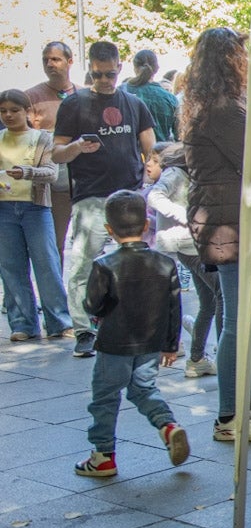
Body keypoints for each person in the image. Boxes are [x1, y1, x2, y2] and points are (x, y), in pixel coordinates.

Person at [181, 27, 251, 442]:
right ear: (230, 60)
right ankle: (230, 416)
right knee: (239, 318)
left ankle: (249, 400)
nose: (249, 63)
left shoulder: (220, 106)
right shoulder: (223, 109)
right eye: (241, 56)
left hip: (240, 218)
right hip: (229, 224)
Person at [73, 190, 189, 478]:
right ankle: (168, 426)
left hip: (114, 343)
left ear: (109, 230)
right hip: (150, 343)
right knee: (143, 389)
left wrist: (96, 314)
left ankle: (103, 455)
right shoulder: (165, 263)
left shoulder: (104, 265)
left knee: (105, 397)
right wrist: (170, 345)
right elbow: (174, 306)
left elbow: (92, 304)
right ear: (146, 226)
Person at [52, 41, 156, 358]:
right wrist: (77, 148)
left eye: (110, 74)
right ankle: (84, 330)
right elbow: (57, 152)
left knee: (135, 265)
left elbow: (150, 146)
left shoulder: (133, 103)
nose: (104, 81)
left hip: (129, 195)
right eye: (97, 75)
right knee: (83, 264)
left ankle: (134, 325)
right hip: (91, 196)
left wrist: (151, 172)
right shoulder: (74, 104)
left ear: (119, 68)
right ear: (90, 69)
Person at [0, 89, 71, 341]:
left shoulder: (41, 138)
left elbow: (51, 173)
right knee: (11, 268)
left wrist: (27, 172)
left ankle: (59, 322)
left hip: (36, 208)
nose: (8, 115)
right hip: (4, 210)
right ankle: (22, 324)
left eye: (14, 110)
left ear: (27, 112)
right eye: (3, 111)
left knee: (47, 264)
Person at [146, 142, 219, 377]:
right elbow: (155, 196)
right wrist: (187, 217)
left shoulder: (185, 173)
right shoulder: (175, 173)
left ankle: (197, 358)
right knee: (222, 296)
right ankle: (217, 354)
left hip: (191, 245)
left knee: (209, 302)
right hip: (187, 245)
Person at [25, 41, 78, 262]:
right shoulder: (30, 97)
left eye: (55, 59)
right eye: (46, 59)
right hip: (51, 182)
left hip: (86, 180)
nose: (50, 64)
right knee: (55, 243)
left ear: (70, 61)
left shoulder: (84, 95)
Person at [123, 50, 179, 142]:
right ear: (157, 68)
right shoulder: (170, 98)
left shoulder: (123, 92)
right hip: (159, 152)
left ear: (134, 68)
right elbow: (179, 135)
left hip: (130, 153)